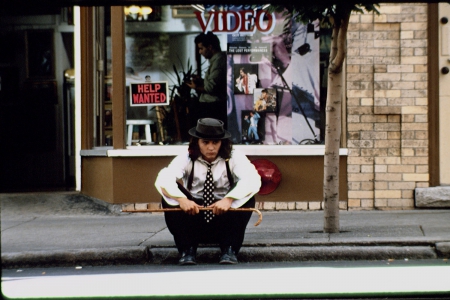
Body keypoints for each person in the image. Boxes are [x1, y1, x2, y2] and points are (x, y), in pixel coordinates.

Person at [155, 118, 261, 265]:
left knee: (246, 195)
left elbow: (252, 178)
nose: (211, 147)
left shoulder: (234, 157)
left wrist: (229, 199)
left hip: (225, 215)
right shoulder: (186, 157)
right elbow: (164, 178)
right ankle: (187, 249)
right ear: (197, 143)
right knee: (168, 194)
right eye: (205, 142)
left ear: (222, 143)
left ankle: (229, 249)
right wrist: (182, 200)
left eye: (215, 142)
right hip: (194, 215)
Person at [186, 32, 227, 127]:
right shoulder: (216, 60)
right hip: (211, 106)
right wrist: (201, 80)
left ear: (210, 47)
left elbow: (210, 88)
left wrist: (195, 87)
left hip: (212, 107)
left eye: (201, 48)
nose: (200, 52)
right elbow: (213, 83)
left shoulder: (218, 62)